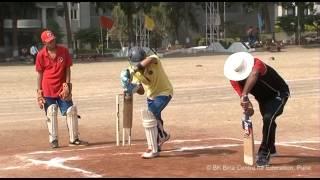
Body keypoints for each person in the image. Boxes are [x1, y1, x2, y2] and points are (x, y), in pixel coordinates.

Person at [223, 52, 290, 167]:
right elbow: (244, 100)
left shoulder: (257, 64)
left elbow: (254, 75)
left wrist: (244, 95)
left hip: (279, 94)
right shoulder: (234, 79)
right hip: (262, 99)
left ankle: (264, 153)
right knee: (269, 121)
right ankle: (271, 147)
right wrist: (247, 107)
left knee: (268, 118)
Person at [35, 30, 88, 148]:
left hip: (62, 88)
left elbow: (68, 69)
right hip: (47, 88)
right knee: (51, 111)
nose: (52, 42)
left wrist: (67, 85)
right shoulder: (40, 55)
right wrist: (39, 92)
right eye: (49, 41)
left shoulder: (63, 51)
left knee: (71, 111)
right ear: (44, 43)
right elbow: (39, 74)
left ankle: (74, 139)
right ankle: (53, 140)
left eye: (53, 39)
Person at [120, 46, 173, 159]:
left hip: (165, 92)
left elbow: (149, 60)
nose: (137, 66)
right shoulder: (133, 71)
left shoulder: (153, 60)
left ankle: (152, 148)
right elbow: (141, 91)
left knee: (150, 114)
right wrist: (130, 86)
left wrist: (135, 68)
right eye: (135, 63)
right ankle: (161, 138)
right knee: (155, 119)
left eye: (138, 63)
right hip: (151, 96)